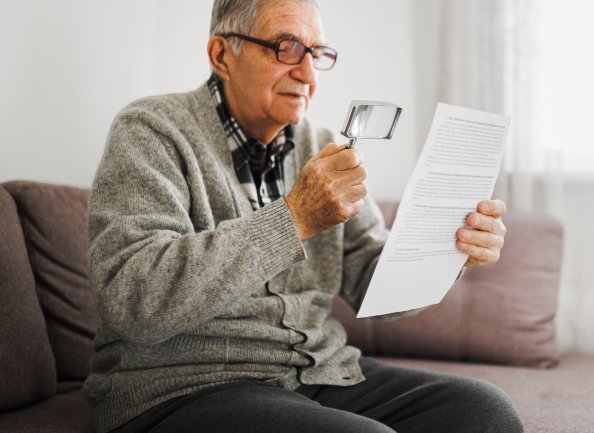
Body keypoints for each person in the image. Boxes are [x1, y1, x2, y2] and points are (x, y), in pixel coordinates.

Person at [85, 0, 522, 432]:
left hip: (318, 373)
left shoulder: (322, 145)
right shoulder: (151, 131)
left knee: (485, 412)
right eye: (286, 48)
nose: (308, 75)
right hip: (184, 386)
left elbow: (370, 281)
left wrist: (451, 249)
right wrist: (295, 217)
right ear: (222, 54)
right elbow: (133, 301)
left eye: (317, 54)